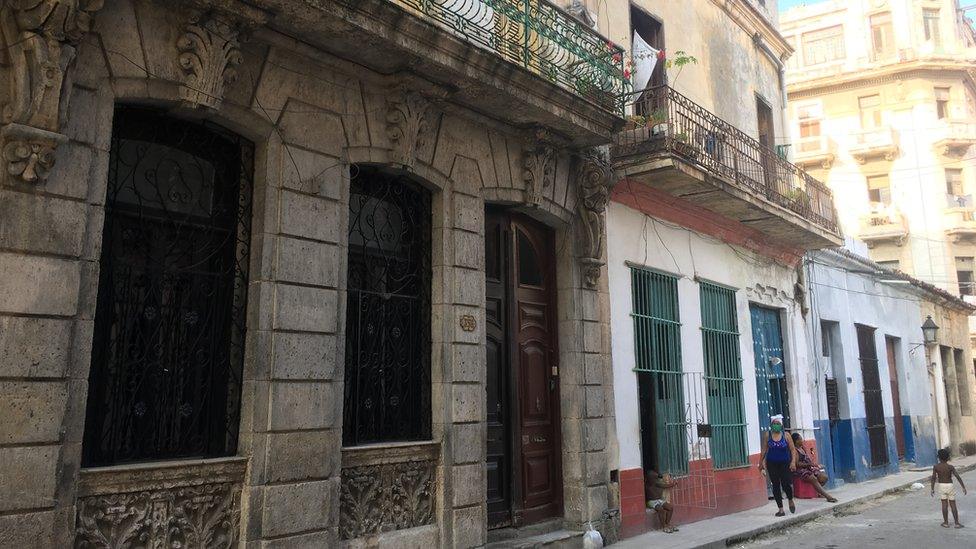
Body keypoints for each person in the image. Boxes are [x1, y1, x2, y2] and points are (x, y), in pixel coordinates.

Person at [759, 415, 798, 517]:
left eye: (778, 424)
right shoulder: (768, 435)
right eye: (774, 424)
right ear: (771, 425)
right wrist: (760, 463)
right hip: (772, 463)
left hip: (784, 463)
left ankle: (790, 499)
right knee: (775, 485)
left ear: (781, 425)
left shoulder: (786, 435)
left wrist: (793, 462)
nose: (776, 426)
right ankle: (780, 509)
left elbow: (793, 449)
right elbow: (764, 450)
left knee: (785, 483)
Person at [790, 432, 837, 503]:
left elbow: (808, 459)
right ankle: (827, 496)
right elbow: (797, 464)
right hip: (800, 471)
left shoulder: (802, 448)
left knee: (824, 477)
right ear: (796, 441)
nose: (802, 440)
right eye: (800, 439)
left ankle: (818, 492)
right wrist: (809, 464)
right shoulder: (795, 451)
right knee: (813, 478)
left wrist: (814, 465)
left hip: (808, 468)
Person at [931, 448, 968, 528]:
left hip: (942, 486)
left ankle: (946, 523)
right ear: (948, 458)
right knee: (953, 504)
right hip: (950, 485)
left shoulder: (936, 467)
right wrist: (963, 487)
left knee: (944, 504)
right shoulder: (950, 467)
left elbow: (933, 478)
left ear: (939, 457)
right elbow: (957, 476)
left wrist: (932, 488)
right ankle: (957, 523)